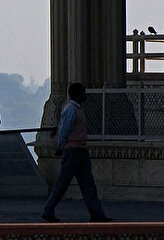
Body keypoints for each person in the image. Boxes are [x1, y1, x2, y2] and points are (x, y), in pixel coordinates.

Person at [42, 82, 112, 223]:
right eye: (83, 92)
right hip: (73, 150)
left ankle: (96, 213)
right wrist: (61, 146)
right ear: (77, 94)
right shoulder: (71, 110)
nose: (85, 95)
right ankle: (48, 209)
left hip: (80, 149)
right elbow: (64, 130)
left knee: (87, 183)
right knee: (63, 182)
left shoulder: (76, 109)